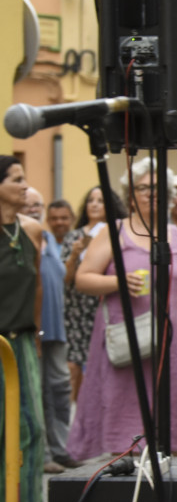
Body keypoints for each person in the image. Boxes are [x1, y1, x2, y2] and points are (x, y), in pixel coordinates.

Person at [67, 158, 177, 461]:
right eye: (143, 188)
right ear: (130, 196)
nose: (150, 193)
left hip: (172, 340)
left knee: (174, 416)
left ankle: (171, 497)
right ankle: (129, 495)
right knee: (124, 419)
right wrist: (117, 281)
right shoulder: (114, 232)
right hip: (125, 339)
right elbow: (82, 279)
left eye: (158, 188)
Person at [0, 156, 47, 502]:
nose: (25, 186)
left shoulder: (31, 229)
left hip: (23, 341)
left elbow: (36, 288)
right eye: (16, 179)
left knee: (32, 431)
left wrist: (34, 332)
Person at [21, 191, 81, 474]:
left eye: (37, 204)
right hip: (32, 330)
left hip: (56, 331)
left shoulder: (48, 241)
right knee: (37, 392)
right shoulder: (19, 239)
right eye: (28, 203)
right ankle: (43, 453)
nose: (33, 209)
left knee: (59, 391)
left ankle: (61, 449)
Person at [61, 186, 126, 402]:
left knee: (103, 364)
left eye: (100, 200)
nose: (95, 204)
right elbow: (65, 278)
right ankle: (77, 409)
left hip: (105, 306)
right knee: (73, 364)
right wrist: (75, 255)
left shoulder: (117, 234)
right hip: (76, 309)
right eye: (91, 200)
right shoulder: (74, 237)